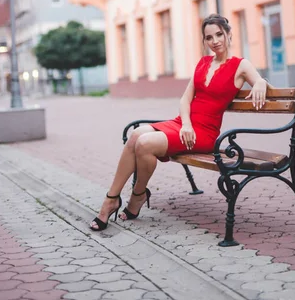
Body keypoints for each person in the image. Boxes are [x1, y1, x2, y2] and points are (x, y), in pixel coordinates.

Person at [90, 13, 269, 231]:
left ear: (229, 34)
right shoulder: (203, 63)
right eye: (209, 37)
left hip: (205, 133)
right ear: (204, 41)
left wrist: (260, 83)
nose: (215, 41)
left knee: (145, 144)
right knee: (136, 134)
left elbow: (259, 80)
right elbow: (185, 98)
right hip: (184, 125)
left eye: (219, 35)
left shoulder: (241, 65)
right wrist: (185, 124)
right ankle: (113, 198)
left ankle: (136, 195)